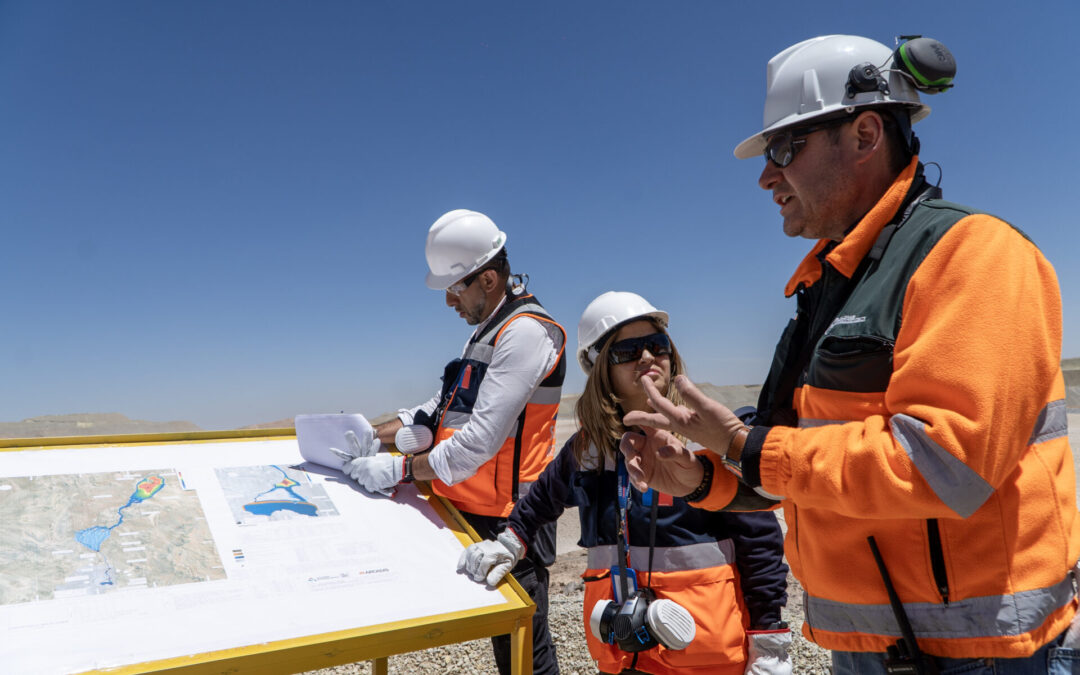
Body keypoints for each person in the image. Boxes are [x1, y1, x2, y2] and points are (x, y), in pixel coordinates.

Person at [617, 35, 1080, 674]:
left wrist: (744, 446)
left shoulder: (974, 256)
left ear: (865, 134)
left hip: (985, 655)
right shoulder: (830, 284)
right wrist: (701, 478)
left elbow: (943, 463)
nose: (765, 175)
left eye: (784, 148)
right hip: (874, 652)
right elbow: (801, 468)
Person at [458, 291, 790, 675]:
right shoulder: (590, 449)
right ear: (602, 370)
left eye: (656, 345)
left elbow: (759, 543)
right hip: (624, 650)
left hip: (705, 653)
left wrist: (769, 640)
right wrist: (510, 542)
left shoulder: (707, 439)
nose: (647, 357)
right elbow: (542, 499)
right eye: (628, 351)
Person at [342, 209, 567, 675]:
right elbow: (442, 407)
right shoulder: (487, 332)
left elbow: (478, 442)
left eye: (454, 287)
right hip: (474, 509)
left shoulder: (525, 332)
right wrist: (373, 434)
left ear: (487, 279)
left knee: (524, 651)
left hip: (514, 519)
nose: (448, 301)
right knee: (505, 642)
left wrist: (401, 469)